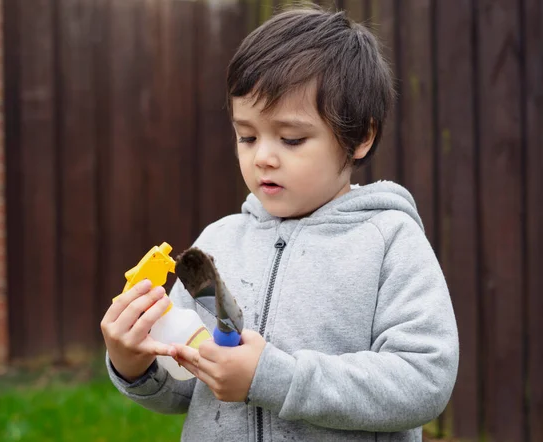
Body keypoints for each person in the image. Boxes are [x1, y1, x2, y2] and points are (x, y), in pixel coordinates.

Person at [101, 5, 459, 442]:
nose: (262, 156)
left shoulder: (388, 241)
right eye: (247, 136)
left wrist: (275, 378)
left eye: (291, 139)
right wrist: (134, 363)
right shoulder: (219, 242)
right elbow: (186, 388)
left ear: (360, 137)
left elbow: (423, 380)